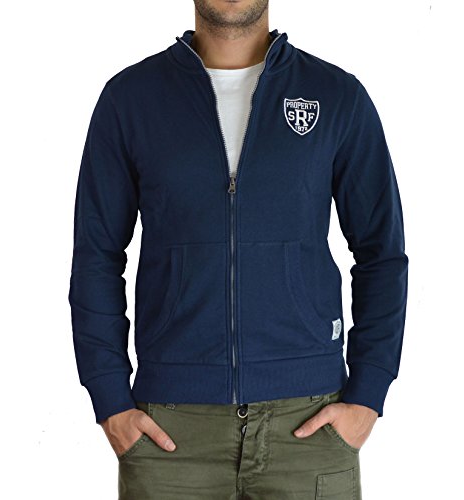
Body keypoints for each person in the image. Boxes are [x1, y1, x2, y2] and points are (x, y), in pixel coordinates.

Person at [68, 1, 409, 498]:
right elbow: (96, 257)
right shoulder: (131, 98)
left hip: (309, 423)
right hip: (169, 433)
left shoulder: (336, 95)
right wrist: (110, 401)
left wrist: (368, 394)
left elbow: (381, 253)